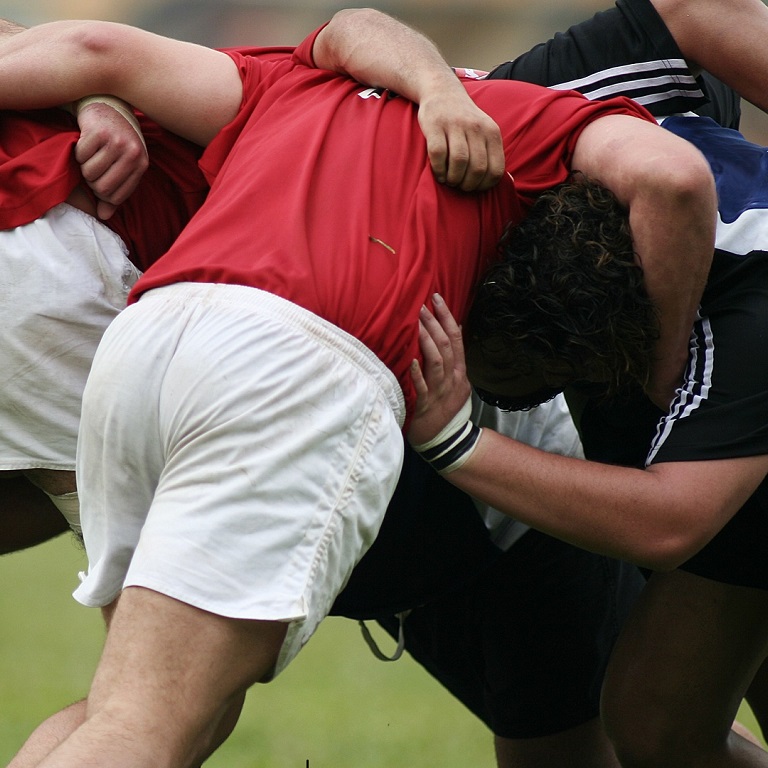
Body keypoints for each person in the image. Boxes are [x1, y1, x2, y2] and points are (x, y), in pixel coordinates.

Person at [0, 7, 720, 766]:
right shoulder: (531, 124)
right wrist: (663, 378)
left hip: (150, 334)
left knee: (144, 707)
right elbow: (673, 176)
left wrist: (92, 98)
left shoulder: (292, 81)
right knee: (149, 723)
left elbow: (346, 26)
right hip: (287, 363)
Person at [409, 107, 768, 768]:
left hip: (742, 376)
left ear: (589, 356)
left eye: (509, 371)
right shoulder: (571, 168)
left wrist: (454, 443)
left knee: (657, 722)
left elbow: (669, 521)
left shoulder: (744, 331)